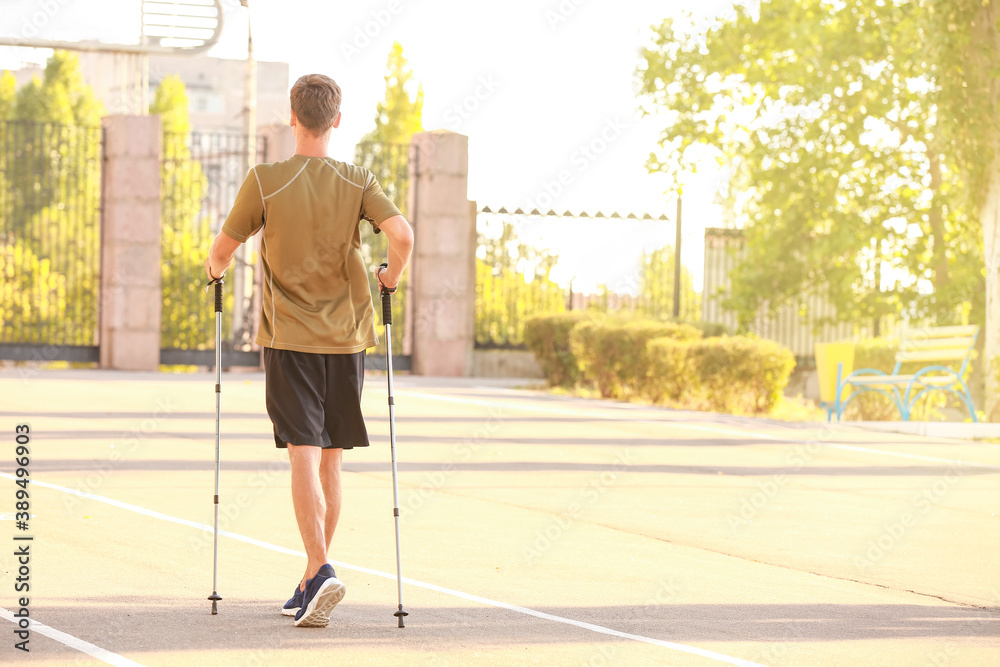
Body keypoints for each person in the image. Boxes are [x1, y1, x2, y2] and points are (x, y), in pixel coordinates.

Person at [204, 73, 414, 628]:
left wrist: (216, 269)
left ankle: (320, 570)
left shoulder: (265, 180)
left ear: (292, 118)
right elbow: (403, 235)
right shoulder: (358, 180)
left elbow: (223, 248)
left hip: (290, 338)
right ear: (337, 121)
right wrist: (390, 275)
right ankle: (308, 580)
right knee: (331, 458)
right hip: (347, 339)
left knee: (302, 450)